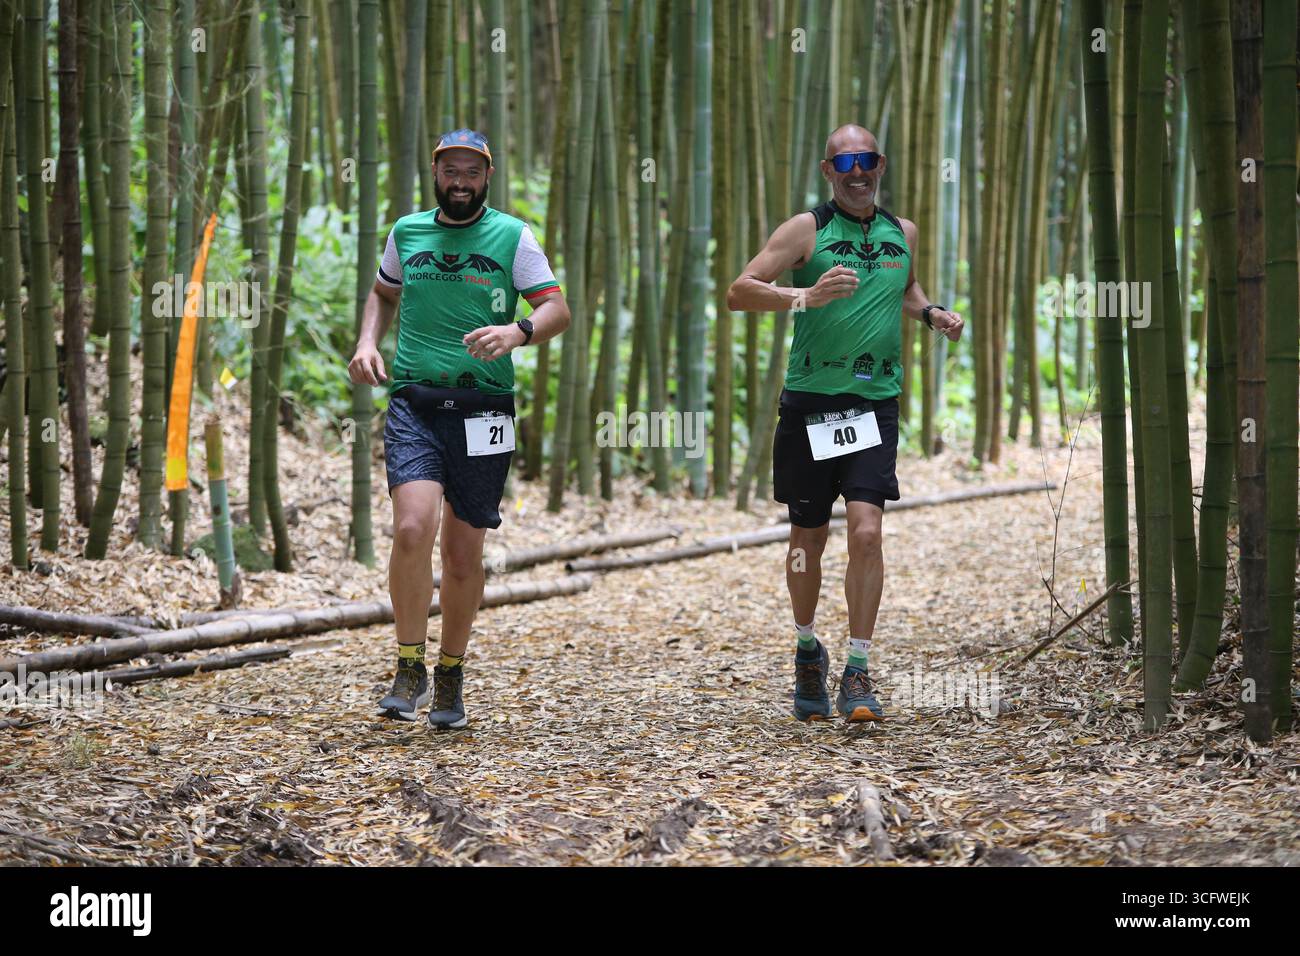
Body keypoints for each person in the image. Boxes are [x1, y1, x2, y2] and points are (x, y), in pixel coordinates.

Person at [726, 124, 964, 723]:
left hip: (873, 402)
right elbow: (740, 291)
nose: (859, 172)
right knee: (808, 541)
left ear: (880, 166)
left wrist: (931, 312)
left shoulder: (901, 232)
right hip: (810, 402)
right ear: (829, 171)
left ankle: (858, 669)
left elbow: (903, 291)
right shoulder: (806, 230)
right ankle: (808, 649)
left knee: (866, 533)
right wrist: (807, 297)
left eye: (869, 160)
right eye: (846, 162)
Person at [348, 129, 570, 729]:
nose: (461, 182)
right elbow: (381, 293)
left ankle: (451, 671)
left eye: (472, 172)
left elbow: (557, 309)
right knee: (413, 528)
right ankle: (407, 663)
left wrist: (516, 332)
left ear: (487, 177)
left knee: (465, 554)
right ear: (436, 172)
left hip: (484, 409)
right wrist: (368, 341)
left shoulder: (512, 236)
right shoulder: (406, 232)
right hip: (415, 402)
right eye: (452, 171)